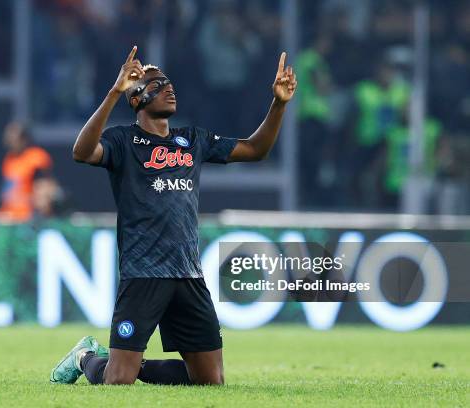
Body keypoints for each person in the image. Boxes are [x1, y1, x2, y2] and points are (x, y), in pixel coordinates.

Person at [50, 46, 296, 385]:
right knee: (117, 380)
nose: (168, 87)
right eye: (156, 83)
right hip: (143, 273)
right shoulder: (123, 141)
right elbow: (82, 152)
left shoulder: (193, 140)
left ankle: (132, 365)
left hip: (188, 274)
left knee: (210, 382)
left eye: (169, 82)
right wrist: (113, 92)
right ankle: (85, 357)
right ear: (136, 99)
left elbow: (256, 149)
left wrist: (279, 103)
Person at [0, 122, 53, 223]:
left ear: (24, 139)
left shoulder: (36, 157)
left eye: (14, 139)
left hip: (29, 217)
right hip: (8, 215)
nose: (10, 143)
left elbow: (45, 186)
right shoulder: (9, 159)